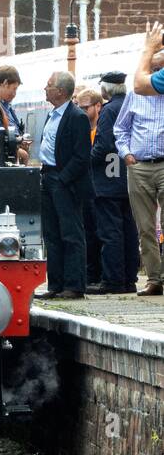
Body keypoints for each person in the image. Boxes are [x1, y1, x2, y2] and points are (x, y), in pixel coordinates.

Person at [34, 71, 91, 300]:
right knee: (52, 234)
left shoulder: (76, 117)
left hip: (64, 180)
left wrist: (63, 179)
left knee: (71, 233)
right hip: (47, 177)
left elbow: (81, 155)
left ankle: (74, 285)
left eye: (48, 85)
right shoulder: (51, 116)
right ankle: (55, 284)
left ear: (60, 91)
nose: (45, 89)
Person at [116, 36, 164, 295]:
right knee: (145, 227)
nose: (157, 75)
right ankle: (154, 279)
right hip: (140, 166)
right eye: (154, 70)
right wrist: (127, 154)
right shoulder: (135, 95)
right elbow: (120, 128)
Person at [87, 72, 139, 294]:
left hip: (108, 181)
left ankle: (113, 281)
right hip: (128, 178)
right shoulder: (131, 105)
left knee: (110, 233)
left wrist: (85, 161)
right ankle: (129, 279)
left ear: (106, 90)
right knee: (129, 230)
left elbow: (105, 144)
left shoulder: (108, 110)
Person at [76, 87, 104, 287]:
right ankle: (90, 273)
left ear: (97, 106)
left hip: (100, 189)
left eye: (85, 108)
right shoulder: (81, 129)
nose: (81, 112)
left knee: (98, 232)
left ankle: (98, 273)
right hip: (85, 189)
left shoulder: (101, 131)